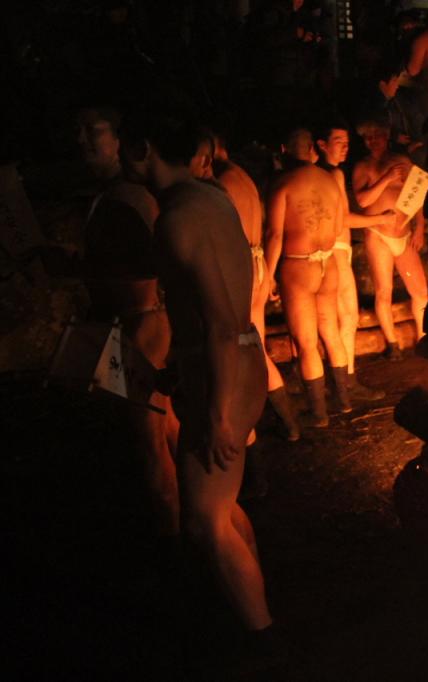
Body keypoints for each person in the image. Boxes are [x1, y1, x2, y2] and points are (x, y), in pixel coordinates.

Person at [119, 110, 273, 635]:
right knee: (219, 508)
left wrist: (218, 413)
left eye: (123, 144)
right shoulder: (211, 197)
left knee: (204, 522)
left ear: (144, 149)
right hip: (231, 361)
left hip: (224, 366)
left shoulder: (178, 218)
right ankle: (249, 604)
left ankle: (263, 637)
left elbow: (219, 322)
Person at [77, 106, 180, 539]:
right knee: (164, 435)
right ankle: (191, 531)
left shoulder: (133, 197)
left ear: (119, 141)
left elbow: (160, 260)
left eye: (93, 132)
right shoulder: (111, 196)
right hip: (129, 326)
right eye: (78, 133)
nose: (83, 141)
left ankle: (182, 543)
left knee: (151, 443)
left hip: (143, 327)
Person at [267, 127, 391, 424]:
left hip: (299, 265)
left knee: (307, 342)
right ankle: (344, 402)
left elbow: (274, 235)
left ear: (283, 151)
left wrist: (268, 275)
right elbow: (337, 226)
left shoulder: (282, 183)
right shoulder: (330, 179)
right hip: (329, 264)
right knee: (332, 333)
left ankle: (319, 413)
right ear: (312, 149)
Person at [211, 130, 303, 441]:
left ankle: (251, 447)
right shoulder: (242, 177)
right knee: (256, 350)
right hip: (257, 263)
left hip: (244, 270)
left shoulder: (221, 181)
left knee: (241, 355)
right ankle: (288, 424)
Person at [313, 120, 388, 402]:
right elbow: (341, 218)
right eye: (339, 141)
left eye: (346, 142)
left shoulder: (320, 173)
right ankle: (346, 383)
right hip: (336, 250)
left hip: (329, 251)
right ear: (321, 145)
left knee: (335, 320)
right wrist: (380, 218)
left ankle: (339, 384)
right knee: (347, 317)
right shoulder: (332, 174)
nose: (345, 147)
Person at [352, 118, 428, 358]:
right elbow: (363, 201)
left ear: (386, 136)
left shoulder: (401, 162)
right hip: (378, 234)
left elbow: (416, 194)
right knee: (383, 290)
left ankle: (423, 337)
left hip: (403, 232)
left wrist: (418, 227)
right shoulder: (362, 167)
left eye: (377, 136)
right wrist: (385, 179)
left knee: (420, 292)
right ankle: (393, 344)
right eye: (368, 138)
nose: (373, 142)